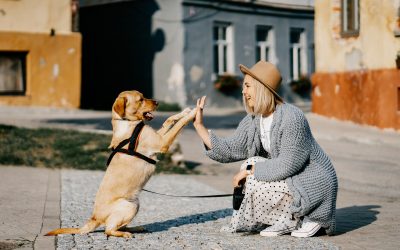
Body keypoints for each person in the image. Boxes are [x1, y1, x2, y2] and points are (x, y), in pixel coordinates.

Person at [193, 61, 338, 237]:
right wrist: (200, 126)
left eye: (247, 86)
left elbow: (288, 164)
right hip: (291, 179)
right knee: (250, 163)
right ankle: (286, 218)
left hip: (313, 182)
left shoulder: (292, 117)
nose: (243, 91)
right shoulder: (254, 119)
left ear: (261, 88)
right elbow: (230, 149)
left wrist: (249, 172)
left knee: (251, 169)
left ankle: (306, 217)